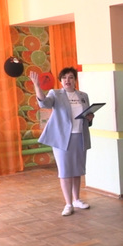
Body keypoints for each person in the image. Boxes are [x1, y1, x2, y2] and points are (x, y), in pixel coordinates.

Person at [30, 67, 94, 216]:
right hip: (62, 138)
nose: (67, 80)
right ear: (60, 81)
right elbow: (44, 103)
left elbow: (87, 115)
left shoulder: (83, 96)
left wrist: (90, 118)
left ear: (75, 80)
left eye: (70, 77)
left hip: (80, 136)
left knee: (77, 170)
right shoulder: (55, 94)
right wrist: (37, 86)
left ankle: (77, 199)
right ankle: (68, 203)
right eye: (64, 78)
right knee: (65, 171)